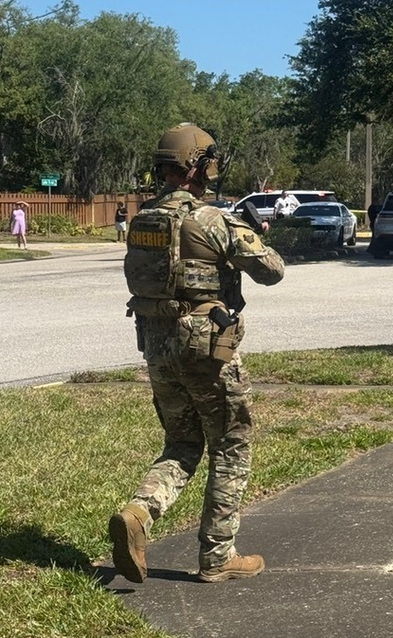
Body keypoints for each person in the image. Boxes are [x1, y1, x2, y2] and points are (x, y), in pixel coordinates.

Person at [112, 123, 285, 585]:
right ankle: (218, 556)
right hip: (206, 348)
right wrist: (251, 236)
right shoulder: (213, 219)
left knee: (182, 442)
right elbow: (271, 271)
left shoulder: (143, 218)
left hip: (157, 344)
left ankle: (139, 512)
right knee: (231, 442)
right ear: (199, 166)